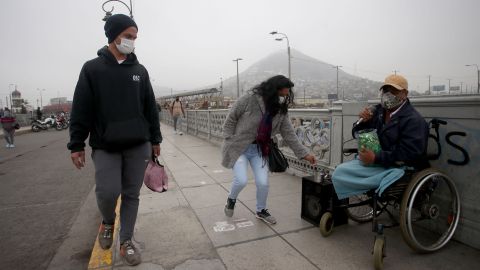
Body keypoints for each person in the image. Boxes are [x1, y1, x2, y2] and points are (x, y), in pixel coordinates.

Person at [67, 14, 162, 266]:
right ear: (114, 35)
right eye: (128, 36)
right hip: (105, 145)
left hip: (137, 144)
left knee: (132, 194)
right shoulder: (92, 69)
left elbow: (150, 108)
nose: (132, 42)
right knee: (108, 192)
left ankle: (126, 241)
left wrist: (155, 139)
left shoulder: (140, 71)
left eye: (135, 38)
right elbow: (81, 109)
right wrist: (76, 144)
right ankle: (108, 221)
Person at [221, 75, 316, 224]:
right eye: (285, 91)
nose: (287, 94)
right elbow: (231, 118)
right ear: (275, 89)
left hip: (260, 149)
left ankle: (261, 210)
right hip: (239, 147)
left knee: (263, 182)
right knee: (241, 180)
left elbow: (289, 134)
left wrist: (304, 154)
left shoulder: (280, 109)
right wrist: (229, 138)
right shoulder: (250, 99)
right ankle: (231, 199)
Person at [332, 74, 429, 199]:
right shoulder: (378, 112)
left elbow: (411, 153)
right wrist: (363, 121)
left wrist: (376, 158)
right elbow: (356, 133)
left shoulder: (414, 120)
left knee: (340, 174)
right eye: (385, 90)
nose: (387, 95)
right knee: (338, 172)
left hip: (396, 166)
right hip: (377, 163)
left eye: (393, 91)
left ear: (404, 94)